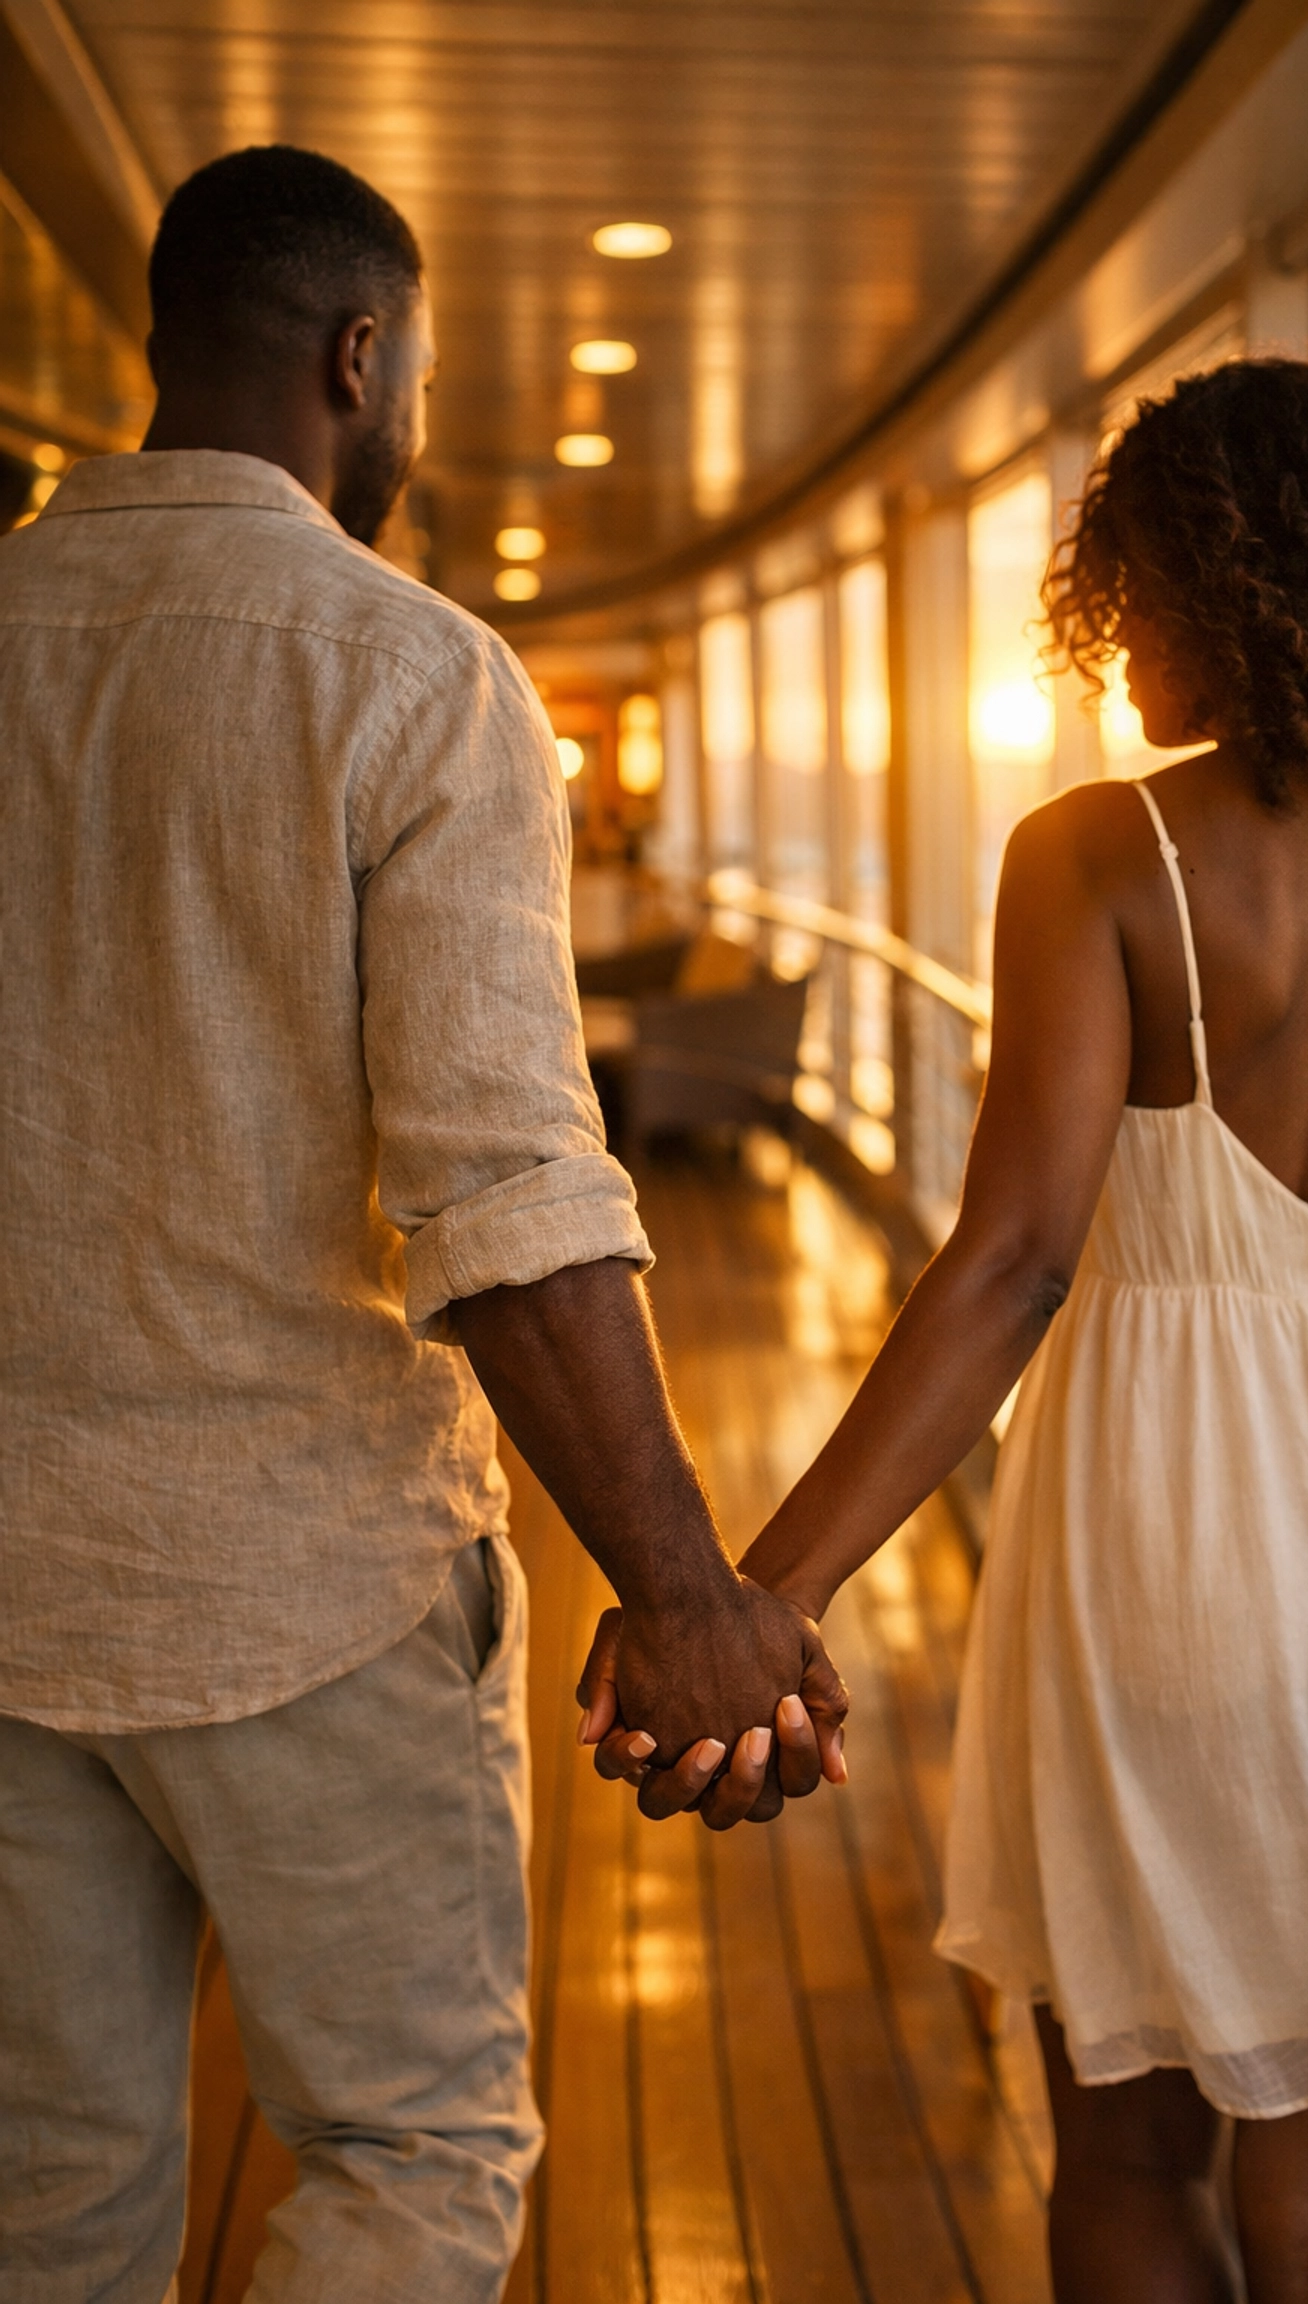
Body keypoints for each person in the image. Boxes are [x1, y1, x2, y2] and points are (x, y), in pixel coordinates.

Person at [589, 361, 1308, 2301]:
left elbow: (1016, 1257)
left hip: (1161, 1561)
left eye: (1135, 598)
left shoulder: (1100, 854)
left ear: (1200, 587)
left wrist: (760, 1603)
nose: (1121, 653)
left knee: (1124, 2164)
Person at [0, 144, 845, 2304]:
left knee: (49, 2199)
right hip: (306, 1585)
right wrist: (686, 1594)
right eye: (421, 379)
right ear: (360, 359)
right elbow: (500, 1195)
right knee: (406, 2150)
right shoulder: (409, 675)